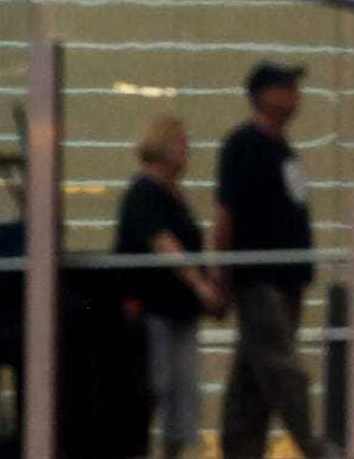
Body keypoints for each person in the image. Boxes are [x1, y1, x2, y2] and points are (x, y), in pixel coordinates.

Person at [212, 62, 326, 459]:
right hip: (259, 278)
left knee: (253, 376)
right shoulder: (242, 145)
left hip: (287, 280)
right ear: (264, 95)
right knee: (280, 367)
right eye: (286, 86)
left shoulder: (284, 150)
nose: (296, 94)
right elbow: (225, 215)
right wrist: (220, 276)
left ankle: (239, 448)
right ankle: (315, 445)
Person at [114, 115, 222, 459]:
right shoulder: (144, 193)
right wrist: (201, 285)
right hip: (153, 311)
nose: (187, 148)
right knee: (154, 387)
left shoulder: (175, 195)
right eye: (181, 141)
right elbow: (164, 243)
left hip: (179, 311)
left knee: (182, 394)